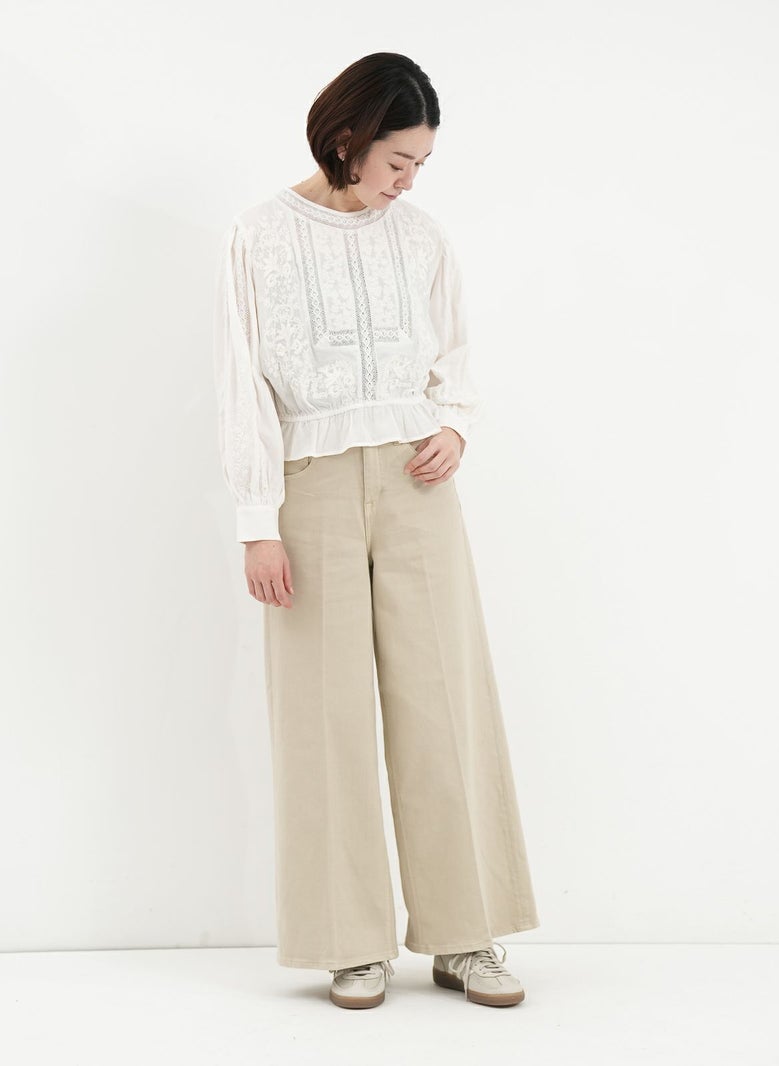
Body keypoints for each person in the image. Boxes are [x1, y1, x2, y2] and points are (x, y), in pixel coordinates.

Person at [212, 52, 540, 1010]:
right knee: (323, 717)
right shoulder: (260, 234)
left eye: (421, 165)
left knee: (445, 701)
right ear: (348, 138)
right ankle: (348, 940)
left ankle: (464, 932)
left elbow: (456, 357)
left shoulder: (423, 238)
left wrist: (456, 427)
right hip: (307, 486)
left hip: (414, 483)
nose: (409, 181)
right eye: (399, 160)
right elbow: (241, 383)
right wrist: (256, 521)